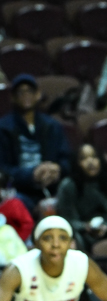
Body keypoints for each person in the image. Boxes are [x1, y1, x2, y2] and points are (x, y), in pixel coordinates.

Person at [0, 77, 71, 208]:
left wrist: (56, 169)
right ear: (13, 98)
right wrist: (31, 174)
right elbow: (3, 168)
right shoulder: (3, 128)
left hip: (51, 187)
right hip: (19, 190)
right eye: (21, 92)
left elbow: (66, 159)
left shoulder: (52, 126)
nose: (26, 95)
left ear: (38, 94)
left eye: (30, 91)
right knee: (15, 204)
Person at [56, 144, 107, 255]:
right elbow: (68, 219)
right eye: (84, 158)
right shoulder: (68, 186)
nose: (90, 162)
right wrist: (85, 227)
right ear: (76, 163)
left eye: (94, 157)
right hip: (82, 234)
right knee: (71, 237)